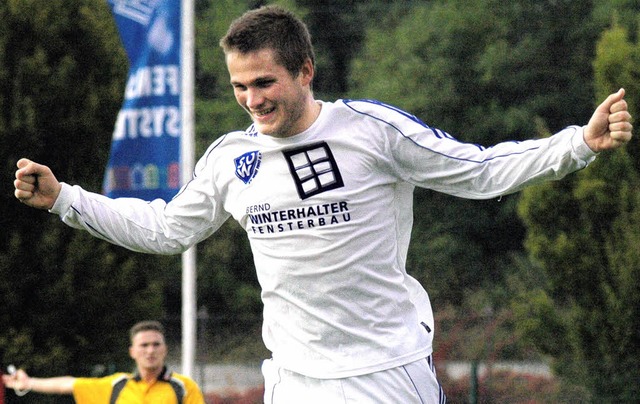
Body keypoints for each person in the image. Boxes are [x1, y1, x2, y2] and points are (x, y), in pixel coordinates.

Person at [12, 5, 632, 404]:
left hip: (386, 371)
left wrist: (577, 143)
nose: (251, 100)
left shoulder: (372, 131)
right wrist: (66, 198)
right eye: (239, 86)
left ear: (305, 70)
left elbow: (477, 169)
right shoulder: (231, 157)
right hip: (294, 379)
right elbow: (166, 228)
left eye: (264, 82)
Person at [1, 321, 205, 404]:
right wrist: (28, 383)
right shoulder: (117, 385)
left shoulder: (184, 388)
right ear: (132, 352)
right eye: (144, 345)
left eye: (155, 344)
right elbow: (69, 384)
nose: (150, 350)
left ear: (165, 349)